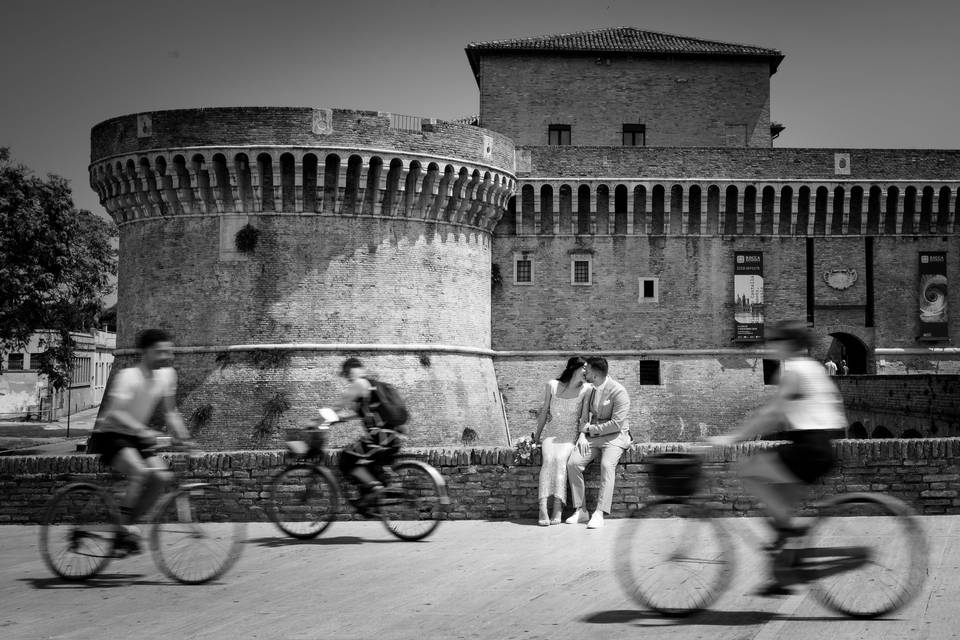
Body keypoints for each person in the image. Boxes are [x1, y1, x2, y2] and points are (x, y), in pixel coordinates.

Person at [712, 320, 846, 596]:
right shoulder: (813, 367)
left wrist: (731, 437)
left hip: (809, 447)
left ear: (787, 344)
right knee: (781, 507)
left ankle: (788, 535)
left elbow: (771, 414)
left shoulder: (794, 370)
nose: (769, 346)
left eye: (774, 341)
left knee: (748, 470)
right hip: (822, 446)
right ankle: (784, 572)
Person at [87, 328, 192, 556]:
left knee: (161, 477)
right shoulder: (128, 377)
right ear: (146, 353)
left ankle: (124, 529)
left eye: (169, 352)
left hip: (136, 436)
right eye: (161, 352)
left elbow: (170, 411)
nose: (167, 356)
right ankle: (124, 529)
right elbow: (115, 413)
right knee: (139, 471)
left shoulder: (167, 375)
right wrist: (141, 430)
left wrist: (185, 438)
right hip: (112, 434)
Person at [330, 357, 403, 515]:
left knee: (346, 459)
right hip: (392, 439)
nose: (348, 376)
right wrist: (340, 420)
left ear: (353, 370)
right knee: (365, 466)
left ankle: (376, 489)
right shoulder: (372, 387)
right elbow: (361, 415)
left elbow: (338, 405)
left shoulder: (360, 384)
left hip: (379, 439)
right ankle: (371, 504)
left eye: (347, 372)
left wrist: (317, 421)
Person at [565, 356, 632, 529]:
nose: (583, 371)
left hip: (616, 437)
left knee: (606, 465)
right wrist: (582, 435)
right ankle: (581, 510)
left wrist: (590, 430)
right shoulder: (590, 390)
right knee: (573, 463)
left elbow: (617, 424)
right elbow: (583, 417)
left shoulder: (619, 391)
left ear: (594, 374)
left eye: (586, 369)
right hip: (592, 437)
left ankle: (600, 512)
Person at [532, 356, 591, 526]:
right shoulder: (552, 385)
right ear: (574, 368)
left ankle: (558, 506)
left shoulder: (586, 389)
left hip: (570, 435)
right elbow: (544, 412)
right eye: (584, 368)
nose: (587, 372)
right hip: (552, 433)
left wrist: (581, 435)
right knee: (549, 459)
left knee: (560, 460)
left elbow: (584, 417)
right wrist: (536, 437)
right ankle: (542, 506)